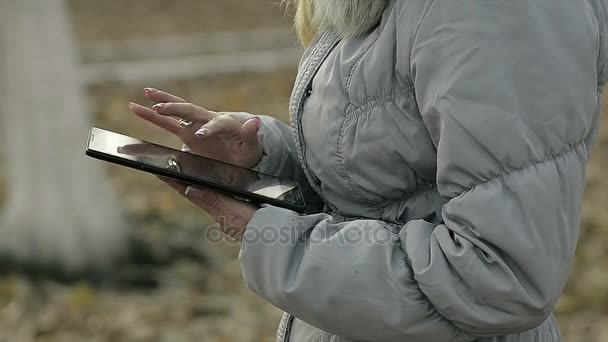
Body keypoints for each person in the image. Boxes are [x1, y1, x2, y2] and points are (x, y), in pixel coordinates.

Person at [128, 0, 608, 340]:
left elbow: (498, 277)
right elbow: (389, 189)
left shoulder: (496, 12)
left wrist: (270, 235)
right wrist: (262, 160)